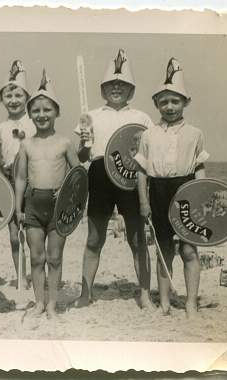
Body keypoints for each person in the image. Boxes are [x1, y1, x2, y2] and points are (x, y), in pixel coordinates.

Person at [74, 49, 154, 309]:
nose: (116, 88)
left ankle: (144, 293)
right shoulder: (91, 116)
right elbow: (82, 155)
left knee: (137, 239)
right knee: (95, 238)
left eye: (122, 85)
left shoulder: (141, 118)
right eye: (111, 85)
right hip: (99, 174)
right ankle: (86, 293)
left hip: (131, 179)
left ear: (130, 90)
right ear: (103, 89)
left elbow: (149, 155)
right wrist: (85, 141)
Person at [135, 58, 209, 318]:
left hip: (185, 190)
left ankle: (190, 303)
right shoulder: (148, 135)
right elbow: (142, 172)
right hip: (158, 191)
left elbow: (199, 168)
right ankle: (165, 302)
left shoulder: (195, 134)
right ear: (156, 103)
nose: (169, 107)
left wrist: (199, 195)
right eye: (164, 101)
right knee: (164, 249)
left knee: (189, 249)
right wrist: (144, 202)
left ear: (185, 102)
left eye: (175, 101)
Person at [15, 70, 80, 320]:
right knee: (36, 257)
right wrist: (18, 208)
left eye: (47, 110)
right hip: (33, 205)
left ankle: (53, 303)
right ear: (30, 114)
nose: (41, 115)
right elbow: (21, 178)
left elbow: (77, 176)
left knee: (54, 257)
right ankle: (39, 302)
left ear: (57, 112)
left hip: (58, 207)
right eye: (36, 111)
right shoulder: (26, 144)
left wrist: (74, 202)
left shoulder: (64, 143)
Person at [0, 60, 35, 288]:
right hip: (9, 182)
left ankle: (38, 275)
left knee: (35, 234)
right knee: (14, 234)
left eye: (18, 95)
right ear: (1, 100)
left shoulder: (34, 121)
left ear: (27, 96)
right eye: (8, 96)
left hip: (34, 182)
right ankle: (21, 277)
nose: (14, 100)